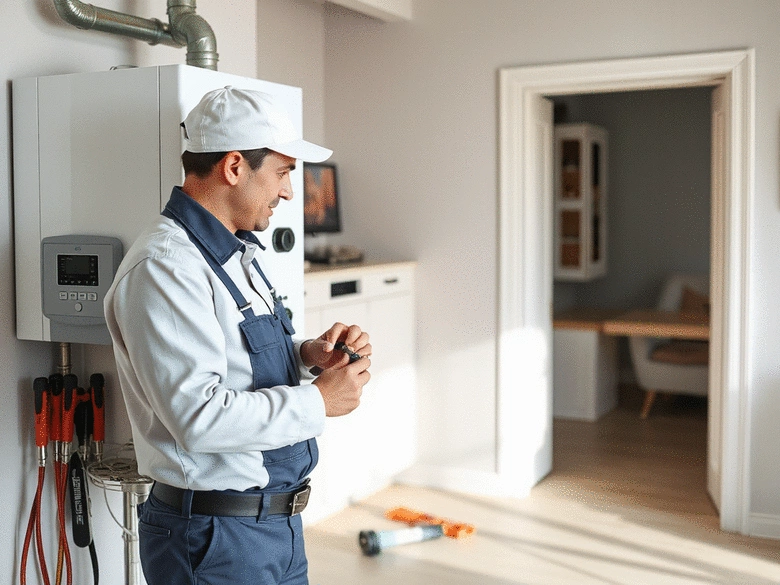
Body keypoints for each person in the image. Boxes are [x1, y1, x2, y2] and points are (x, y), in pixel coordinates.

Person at [104, 86, 371, 585]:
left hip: (272, 527)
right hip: (213, 539)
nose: (290, 192)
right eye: (283, 172)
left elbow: (235, 360)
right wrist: (319, 402)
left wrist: (308, 356)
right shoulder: (167, 267)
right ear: (233, 167)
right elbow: (199, 416)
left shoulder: (234, 254)